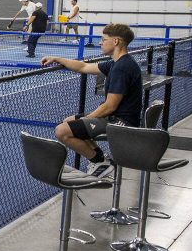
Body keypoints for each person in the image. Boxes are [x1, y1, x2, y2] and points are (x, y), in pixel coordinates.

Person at [41, 23, 142, 177]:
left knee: (62, 131)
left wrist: (87, 119)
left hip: (122, 122)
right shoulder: (116, 63)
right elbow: (83, 67)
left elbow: (109, 106)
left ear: (115, 42)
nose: (100, 42)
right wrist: (57, 58)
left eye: (104, 39)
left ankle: (99, 162)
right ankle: (101, 159)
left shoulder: (122, 68)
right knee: (68, 121)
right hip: (115, 117)